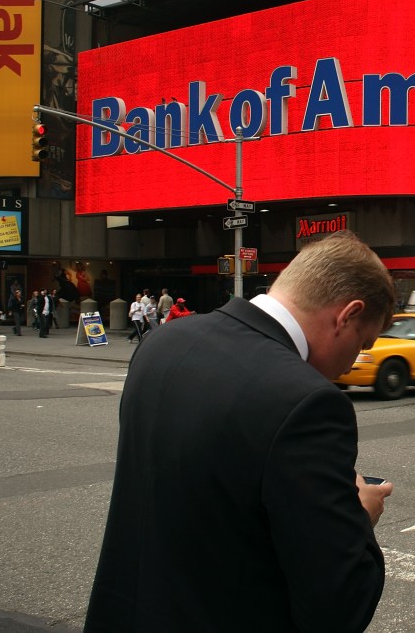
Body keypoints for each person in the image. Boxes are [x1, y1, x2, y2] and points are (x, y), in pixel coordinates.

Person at [84, 231, 396, 631]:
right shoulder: (308, 401)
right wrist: (357, 516)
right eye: (361, 343)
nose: (352, 363)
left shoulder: (162, 343)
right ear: (347, 315)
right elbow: (336, 603)